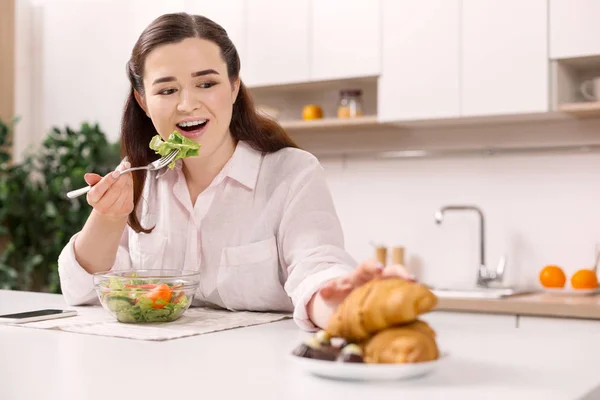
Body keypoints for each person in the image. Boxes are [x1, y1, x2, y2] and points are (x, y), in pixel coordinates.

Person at [57, 12, 412, 330]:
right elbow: (79, 292)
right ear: (143, 101)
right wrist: (106, 217)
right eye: (167, 90)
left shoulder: (292, 173)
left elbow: (317, 266)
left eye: (206, 84)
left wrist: (339, 304)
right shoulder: (137, 177)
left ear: (234, 86)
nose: (187, 104)